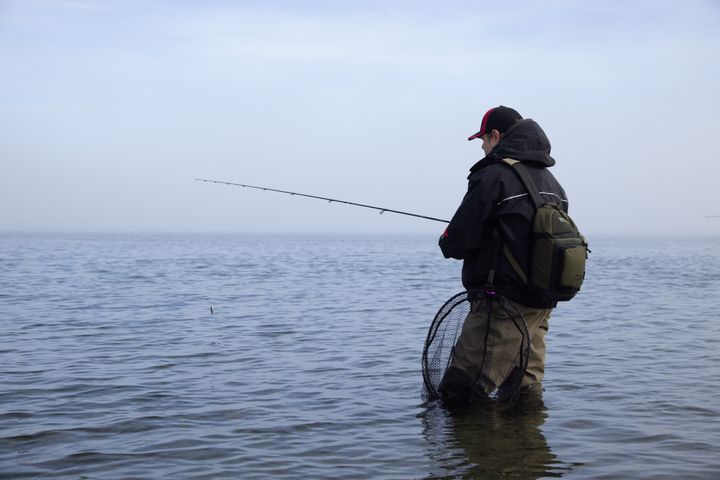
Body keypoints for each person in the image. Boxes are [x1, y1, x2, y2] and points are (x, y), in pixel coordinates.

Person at [438, 106, 568, 403]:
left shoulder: (493, 176)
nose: (483, 147)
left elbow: (458, 242)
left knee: (462, 391)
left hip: (501, 304)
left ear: (495, 136)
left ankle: (463, 450)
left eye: (483, 140)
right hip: (540, 303)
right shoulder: (552, 183)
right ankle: (527, 446)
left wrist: (446, 239)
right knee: (524, 389)